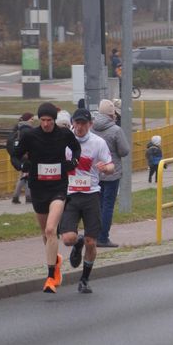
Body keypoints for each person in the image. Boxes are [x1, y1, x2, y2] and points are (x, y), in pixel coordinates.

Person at [12, 102, 81, 293]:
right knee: (45, 234)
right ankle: (55, 261)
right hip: (38, 188)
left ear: (54, 120)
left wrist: (73, 161)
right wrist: (21, 166)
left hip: (58, 187)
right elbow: (15, 155)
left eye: (49, 120)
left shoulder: (64, 134)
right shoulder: (30, 136)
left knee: (51, 229)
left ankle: (50, 277)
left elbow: (76, 149)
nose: (45, 124)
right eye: (42, 120)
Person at [61, 108, 114, 294]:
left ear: (90, 124)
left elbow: (111, 165)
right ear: (72, 123)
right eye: (77, 123)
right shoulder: (65, 142)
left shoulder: (98, 143)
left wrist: (105, 168)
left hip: (91, 194)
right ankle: (77, 242)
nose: (80, 127)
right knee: (67, 239)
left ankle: (84, 279)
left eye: (84, 123)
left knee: (92, 242)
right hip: (71, 194)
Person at [91, 99, 130, 247]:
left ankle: (93, 235)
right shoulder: (115, 130)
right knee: (108, 206)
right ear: (111, 114)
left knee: (97, 205)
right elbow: (124, 150)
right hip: (112, 173)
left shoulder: (92, 127)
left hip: (95, 172)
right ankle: (103, 237)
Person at [9, 112, 34, 204]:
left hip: (21, 157)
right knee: (25, 176)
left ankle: (25, 196)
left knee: (25, 176)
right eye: (32, 119)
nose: (33, 121)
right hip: (26, 156)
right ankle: (19, 197)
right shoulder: (26, 130)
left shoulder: (19, 128)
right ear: (27, 120)